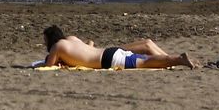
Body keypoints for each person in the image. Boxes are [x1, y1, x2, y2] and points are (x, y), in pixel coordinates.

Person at [41, 26, 195, 69]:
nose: (45, 43)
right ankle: (178, 59)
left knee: (146, 62)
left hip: (109, 60)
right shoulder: (71, 39)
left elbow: (48, 65)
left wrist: (53, 60)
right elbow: (86, 47)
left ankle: (179, 59)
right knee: (146, 58)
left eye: (45, 40)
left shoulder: (57, 47)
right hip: (109, 52)